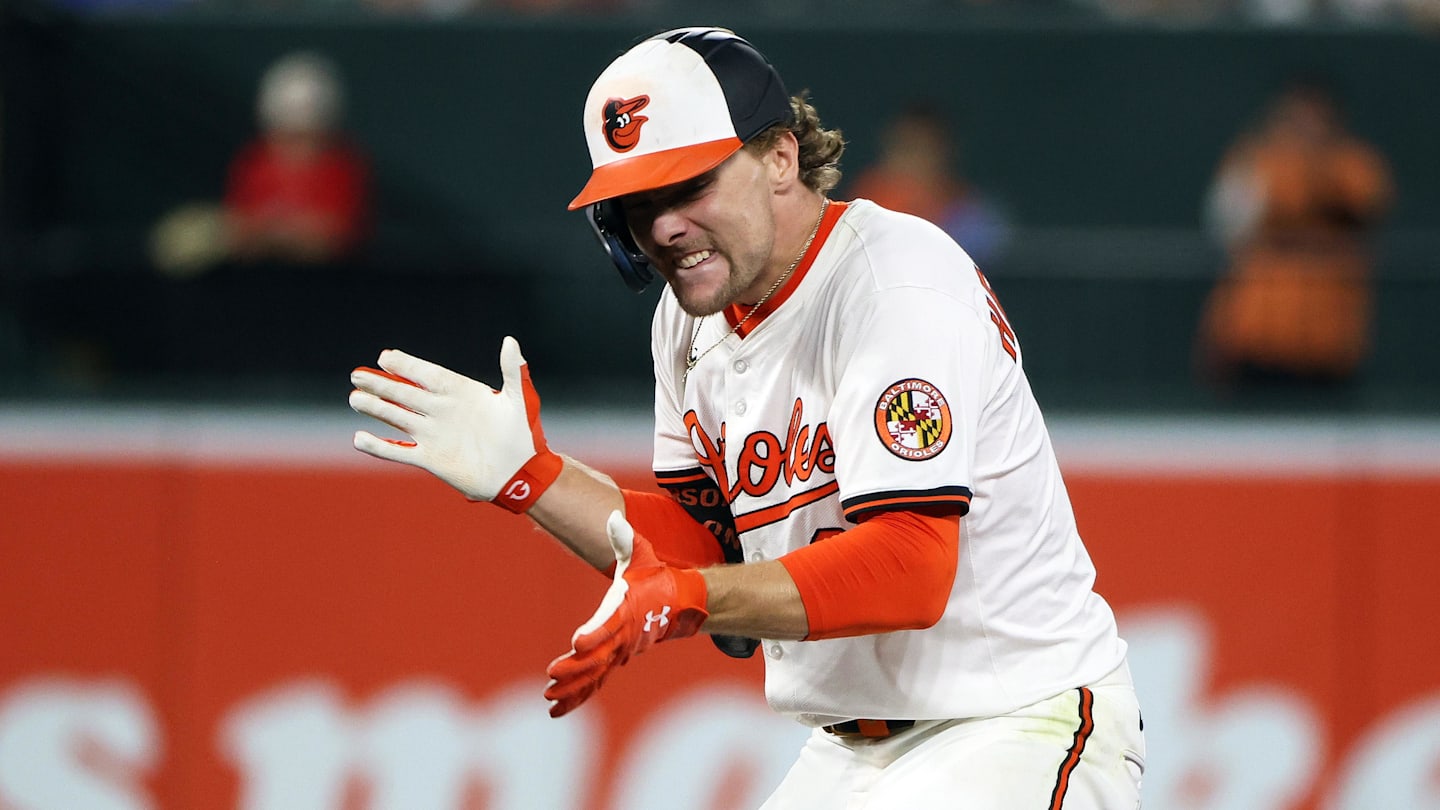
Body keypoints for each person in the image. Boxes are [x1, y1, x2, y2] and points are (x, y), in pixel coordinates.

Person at [348, 27, 1143, 808]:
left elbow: (910, 567)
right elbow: (716, 554)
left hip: (1010, 718)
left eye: (689, 186)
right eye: (637, 204)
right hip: (848, 749)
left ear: (780, 158)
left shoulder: (894, 282)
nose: (663, 227)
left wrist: (688, 598)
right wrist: (536, 481)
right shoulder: (686, 321)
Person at [1196, 77, 1392, 392]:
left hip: (1328, 339)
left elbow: (1363, 210)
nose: (1304, 127)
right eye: (1294, 117)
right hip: (1257, 336)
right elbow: (1229, 226)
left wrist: (1312, 168)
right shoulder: (1254, 160)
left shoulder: (1353, 164)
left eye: (1313, 117)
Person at [149, 51, 370, 276]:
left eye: (309, 135)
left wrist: (273, 233)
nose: (300, 146)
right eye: (290, 134)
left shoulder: (344, 168)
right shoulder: (254, 164)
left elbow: (332, 241)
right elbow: (242, 236)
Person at [847, 102, 1012, 268]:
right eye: (903, 148)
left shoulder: (975, 221)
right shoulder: (862, 208)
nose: (909, 163)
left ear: (943, 154)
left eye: (920, 150)